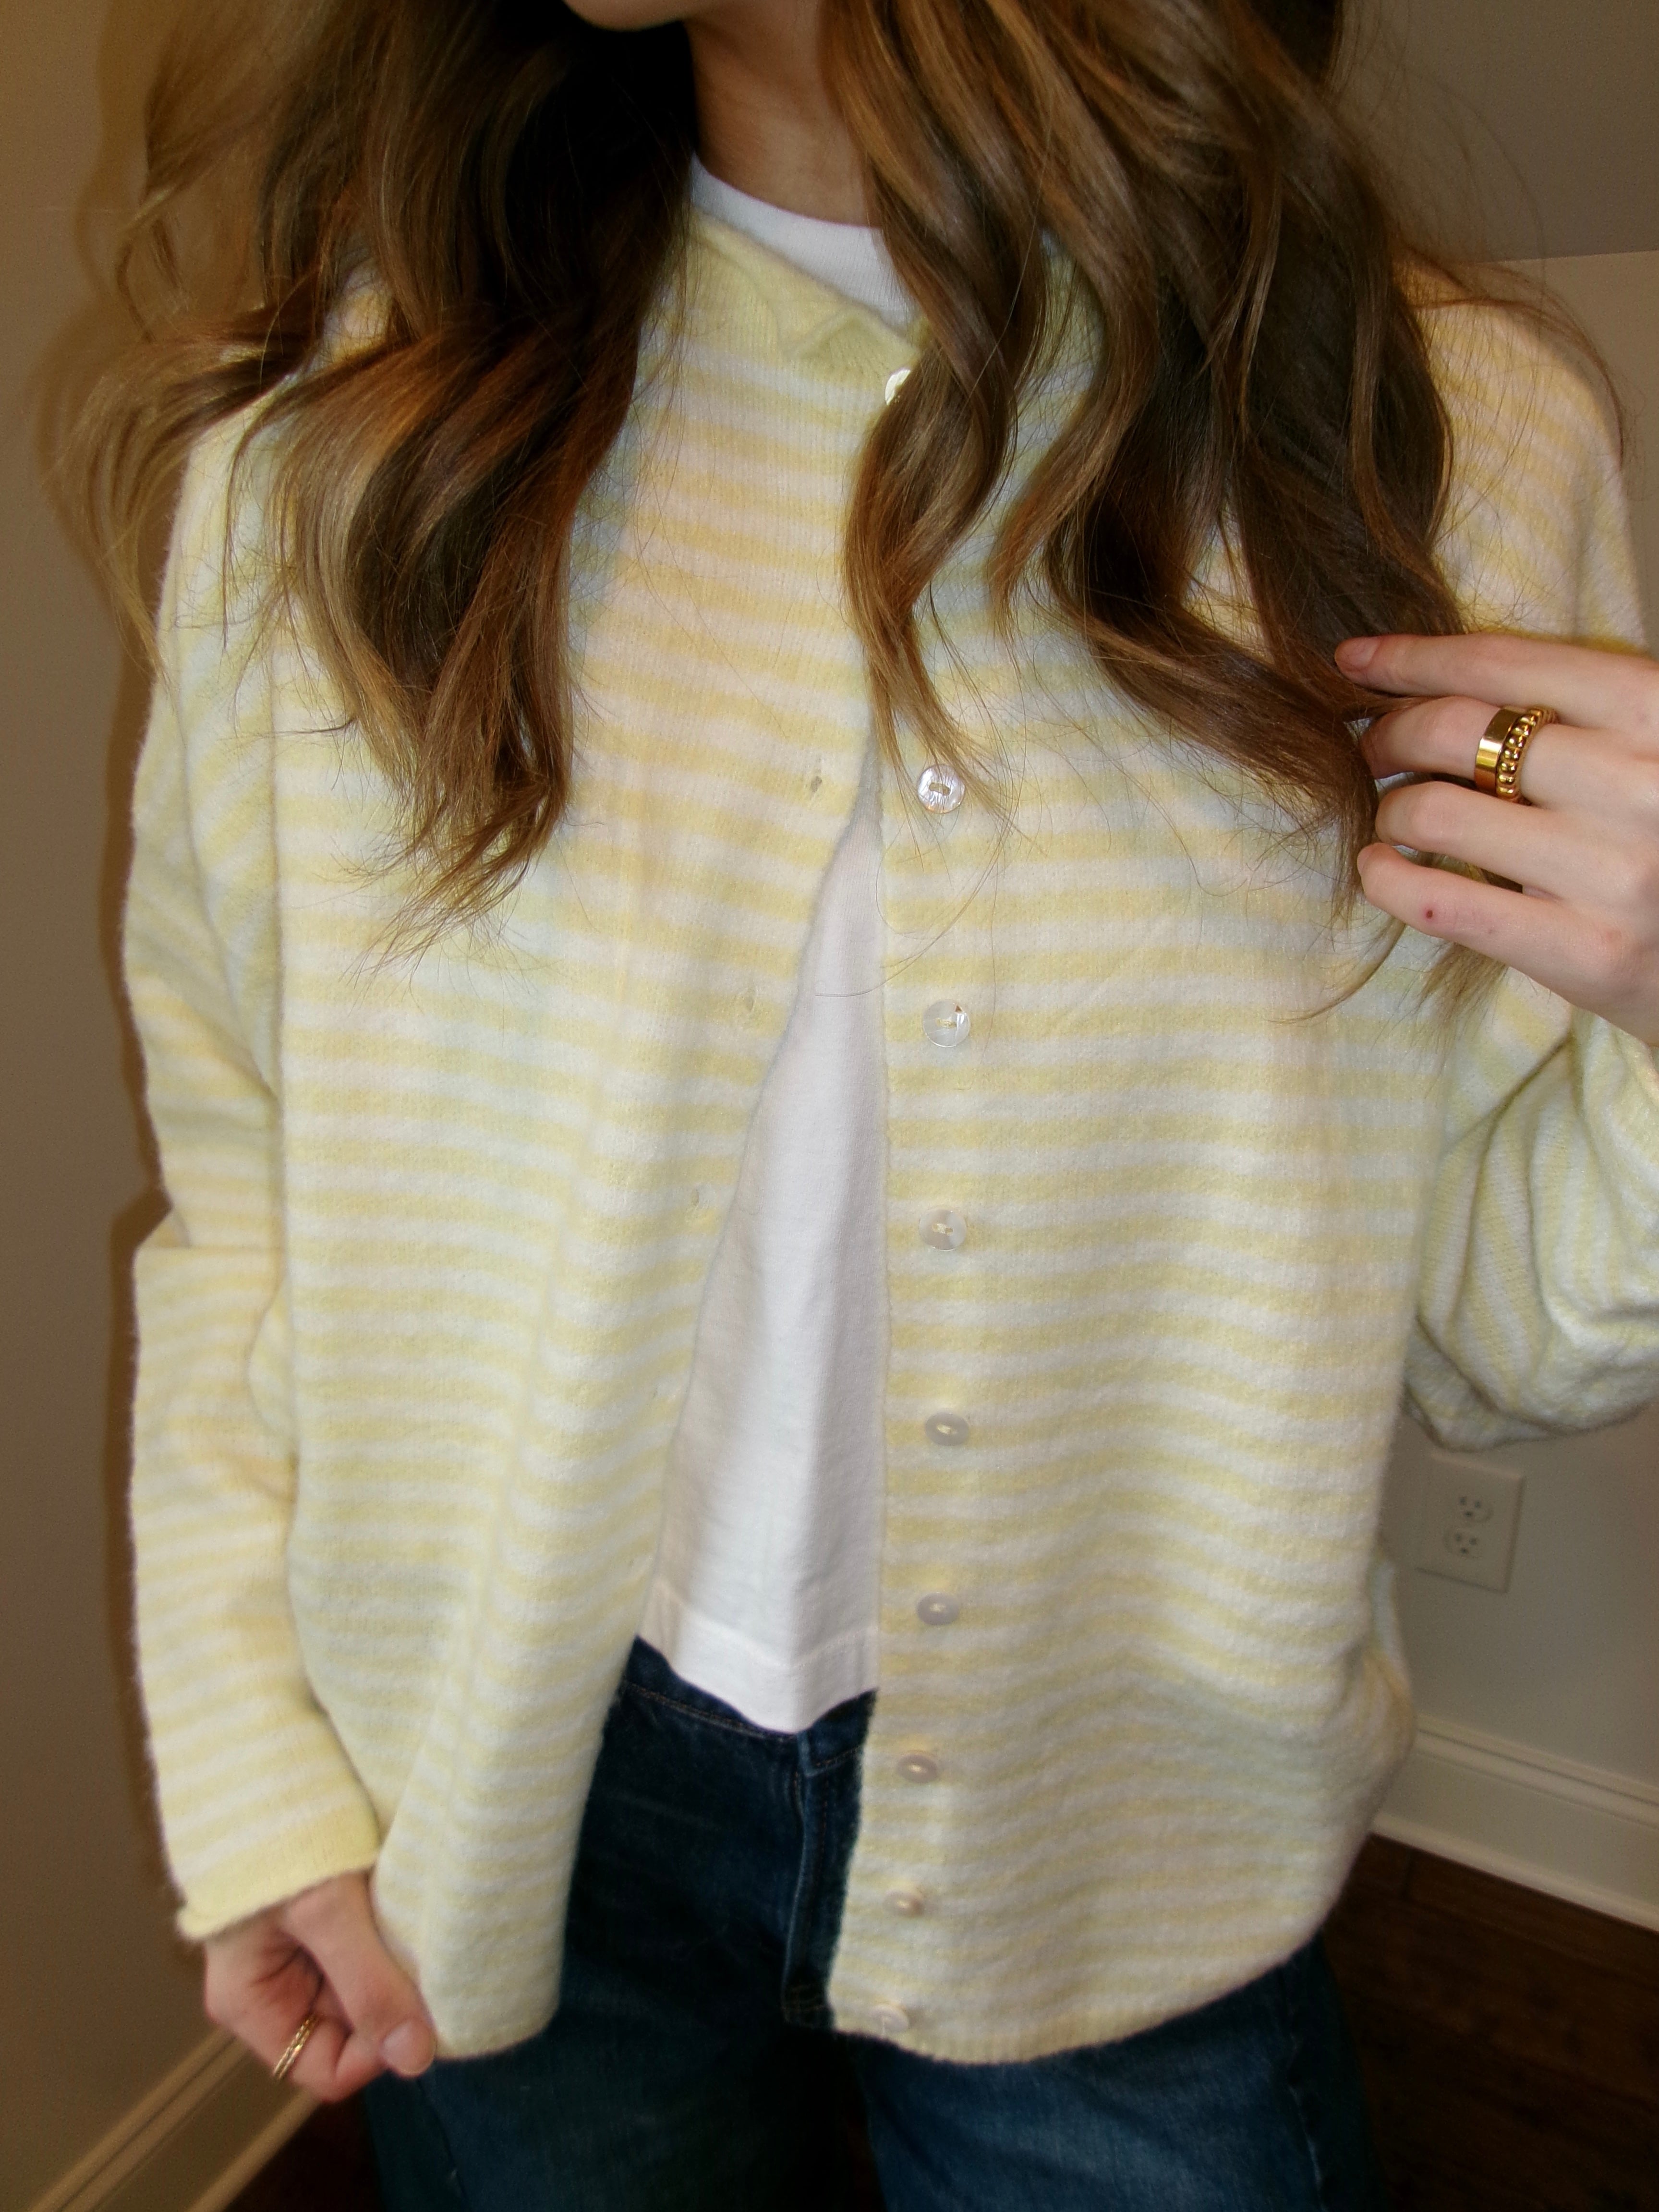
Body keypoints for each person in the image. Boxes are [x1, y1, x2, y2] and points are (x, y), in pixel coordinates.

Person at [85, 0, 1659, 2204]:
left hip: (1119, 1813)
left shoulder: (1445, 439)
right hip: (499, 1781)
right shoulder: (356, 431)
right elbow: (246, 1170)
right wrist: (258, 1759)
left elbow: (1494, 1319)